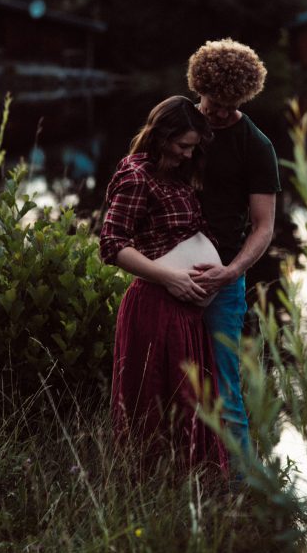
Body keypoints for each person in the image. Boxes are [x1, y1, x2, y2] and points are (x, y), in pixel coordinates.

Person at [100, 95, 228, 473]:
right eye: (182, 145)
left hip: (185, 314)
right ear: (160, 136)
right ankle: (154, 493)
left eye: (193, 147)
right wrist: (171, 276)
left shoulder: (172, 176)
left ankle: (193, 494)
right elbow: (112, 244)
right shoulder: (136, 175)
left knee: (190, 406)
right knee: (162, 406)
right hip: (156, 307)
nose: (189, 155)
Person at [186, 39, 281, 457]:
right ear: (198, 86)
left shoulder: (257, 146)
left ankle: (239, 487)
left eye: (230, 104)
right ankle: (175, 473)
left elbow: (263, 227)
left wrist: (233, 271)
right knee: (167, 380)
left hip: (222, 278)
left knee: (226, 388)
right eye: (213, 102)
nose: (219, 113)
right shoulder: (177, 124)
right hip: (166, 273)